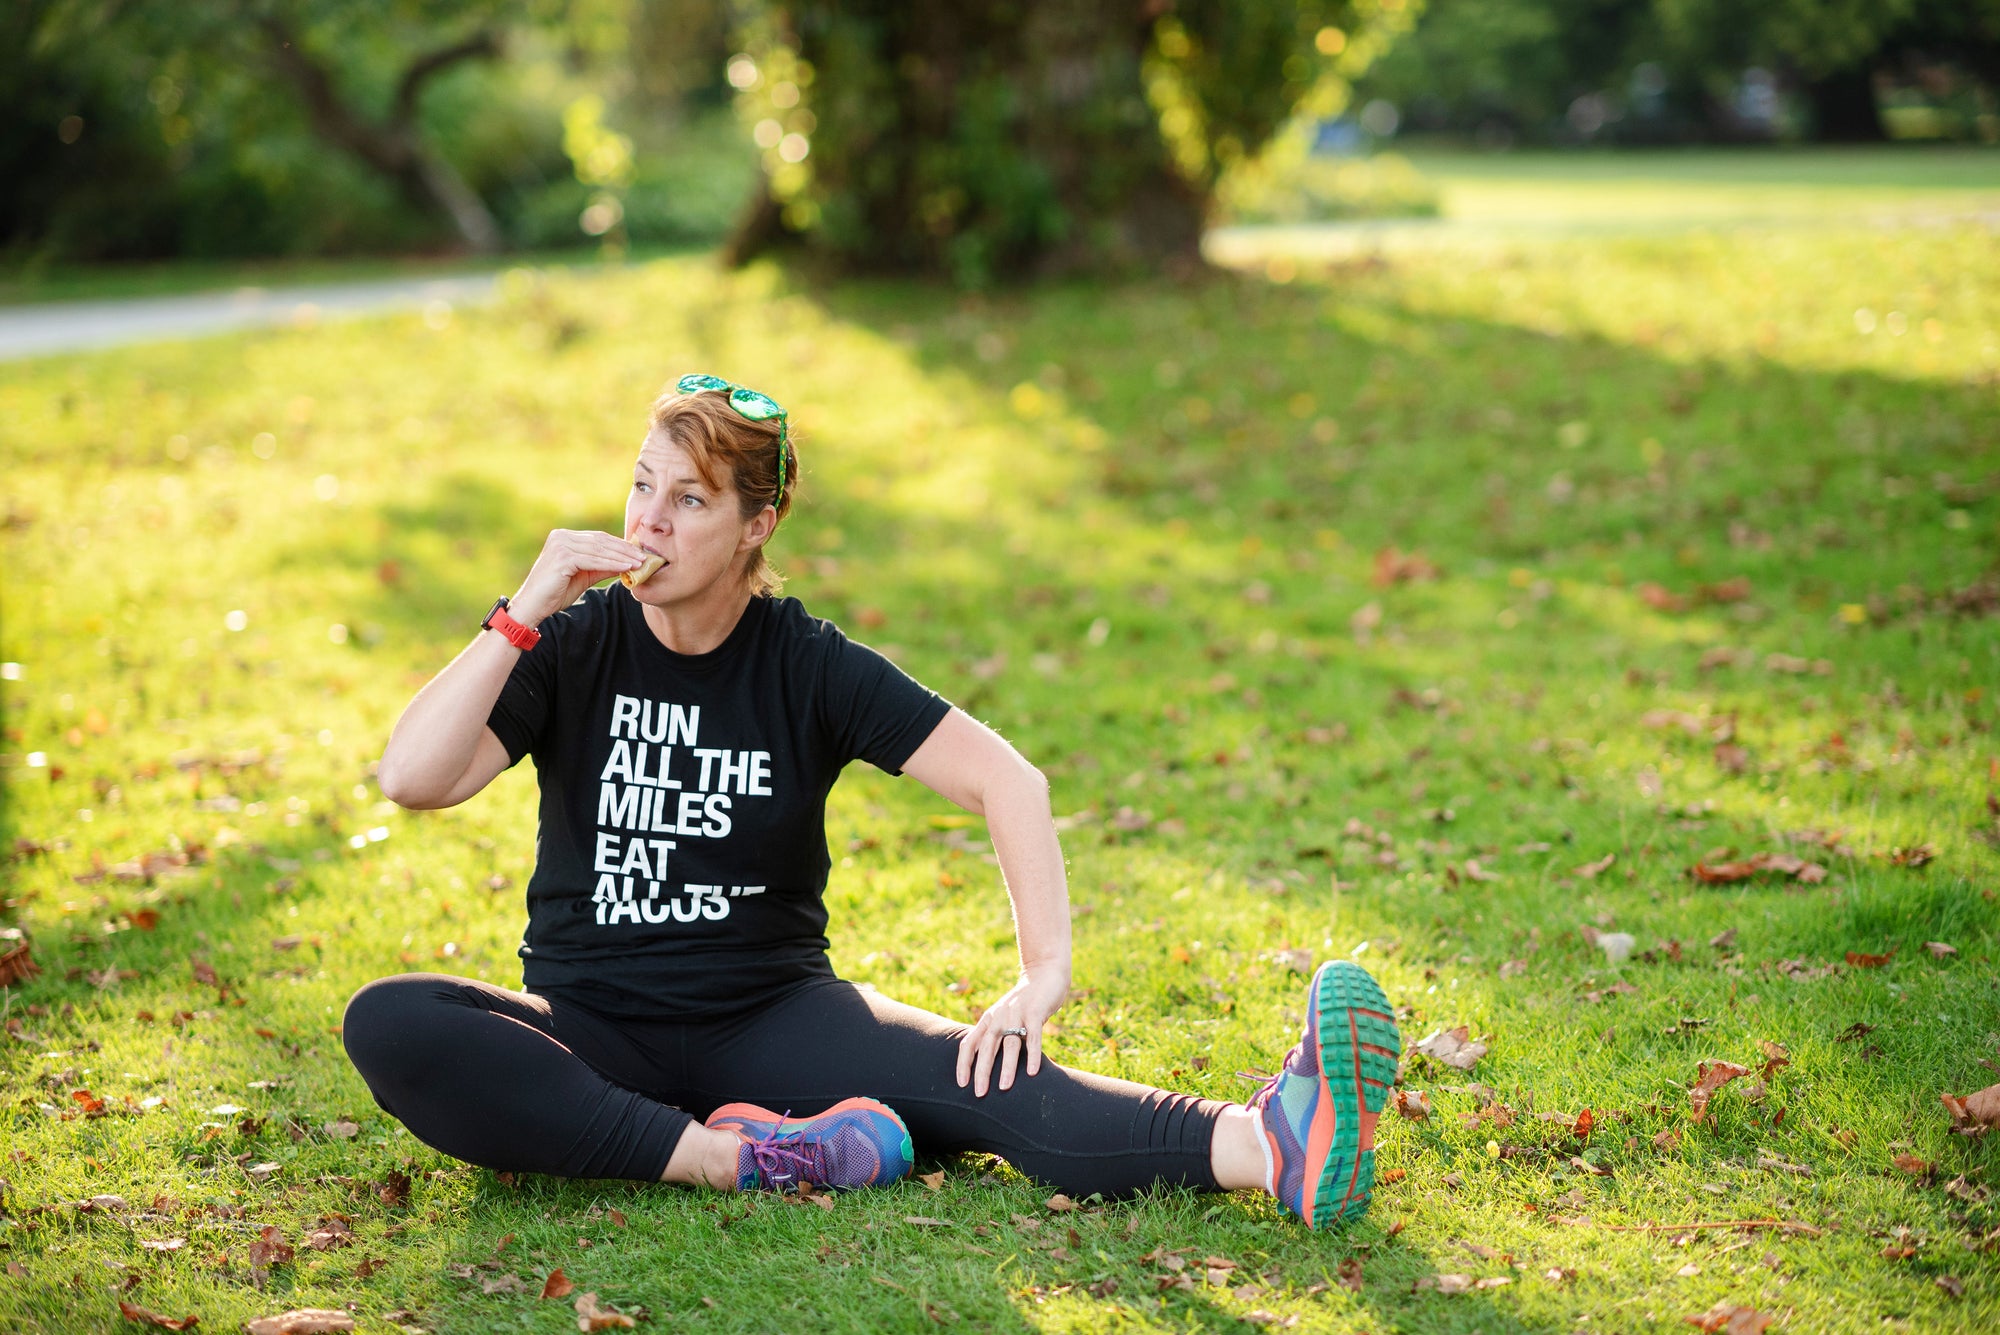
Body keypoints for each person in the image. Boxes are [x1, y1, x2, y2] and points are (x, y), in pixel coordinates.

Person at [341, 374, 1402, 1226]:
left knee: (997, 1088)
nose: (649, 524)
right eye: (641, 488)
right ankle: (731, 1160)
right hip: (590, 1023)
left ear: (757, 527)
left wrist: (1042, 976)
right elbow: (413, 778)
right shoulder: (570, 644)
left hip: (772, 1022)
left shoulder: (806, 665)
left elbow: (1006, 779)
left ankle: (1274, 1143)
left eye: (691, 500)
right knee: (393, 1021)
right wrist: (523, 608)